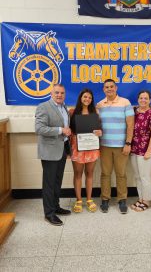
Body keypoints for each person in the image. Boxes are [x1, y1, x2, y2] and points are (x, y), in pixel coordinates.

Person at [35, 84, 71, 226]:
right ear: (51, 93)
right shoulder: (43, 107)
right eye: (56, 92)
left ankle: (55, 206)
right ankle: (49, 214)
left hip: (62, 150)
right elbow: (39, 128)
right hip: (50, 151)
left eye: (62, 93)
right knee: (49, 184)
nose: (59, 95)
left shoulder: (64, 107)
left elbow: (67, 128)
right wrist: (60, 130)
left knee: (57, 181)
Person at [97, 79, 134, 214]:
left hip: (121, 146)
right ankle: (105, 199)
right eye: (106, 87)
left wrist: (128, 143)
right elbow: (96, 125)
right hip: (104, 146)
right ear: (103, 89)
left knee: (121, 174)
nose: (109, 89)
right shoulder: (99, 105)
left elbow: (130, 125)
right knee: (105, 174)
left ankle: (122, 199)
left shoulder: (125, 103)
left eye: (111, 86)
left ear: (116, 88)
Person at [69, 89, 102, 213]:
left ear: (92, 100)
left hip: (91, 147)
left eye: (89, 97)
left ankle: (89, 199)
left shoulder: (95, 113)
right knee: (78, 174)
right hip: (77, 147)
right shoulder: (72, 112)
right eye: (85, 97)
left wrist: (100, 132)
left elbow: (100, 129)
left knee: (89, 173)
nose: (87, 99)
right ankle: (78, 200)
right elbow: (69, 131)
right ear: (80, 98)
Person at [130, 90, 151, 212]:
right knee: (137, 176)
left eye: (146, 98)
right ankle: (141, 198)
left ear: (150, 100)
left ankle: (147, 201)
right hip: (134, 149)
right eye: (141, 98)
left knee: (145, 176)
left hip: (146, 151)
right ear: (138, 99)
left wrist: (148, 151)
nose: (143, 100)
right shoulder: (134, 112)